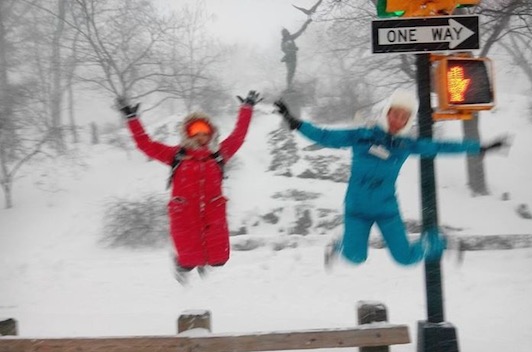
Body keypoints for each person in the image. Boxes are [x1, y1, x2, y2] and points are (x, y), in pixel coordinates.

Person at [274, 89, 509, 269]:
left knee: (405, 258)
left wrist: (480, 147)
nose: (398, 121)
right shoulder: (362, 136)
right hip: (356, 209)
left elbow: (441, 146)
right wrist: (295, 123)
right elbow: (325, 136)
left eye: (404, 118)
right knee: (355, 257)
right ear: (387, 113)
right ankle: (338, 244)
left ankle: (441, 241)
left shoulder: (406, 145)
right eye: (395, 114)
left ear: (408, 122)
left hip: (386, 209)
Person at [117, 91, 262, 284]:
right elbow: (146, 144)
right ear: (188, 133)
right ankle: (181, 267)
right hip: (185, 215)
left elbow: (238, 136)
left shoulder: (219, 155)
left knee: (219, 260)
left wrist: (247, 108)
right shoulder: (176, 156)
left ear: (211, 133)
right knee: (187, 261)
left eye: (205, 132)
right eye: (196, 132)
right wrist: (132, 119)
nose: (201, 136)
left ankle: (204, 266)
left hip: (213, 214)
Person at [281, 18, 312, 89]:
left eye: (287, 33)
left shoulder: (291, 38)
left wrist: (306, 23)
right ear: (284, 35)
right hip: (289, 59)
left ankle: (290, 86)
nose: (287, 34)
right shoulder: (283, 42)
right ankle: (289, 87)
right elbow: (284, 50)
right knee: (290, 72)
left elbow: (300, 31)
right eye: (286, 33)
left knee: (292, 72)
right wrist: (293, 49)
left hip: (293, 58)